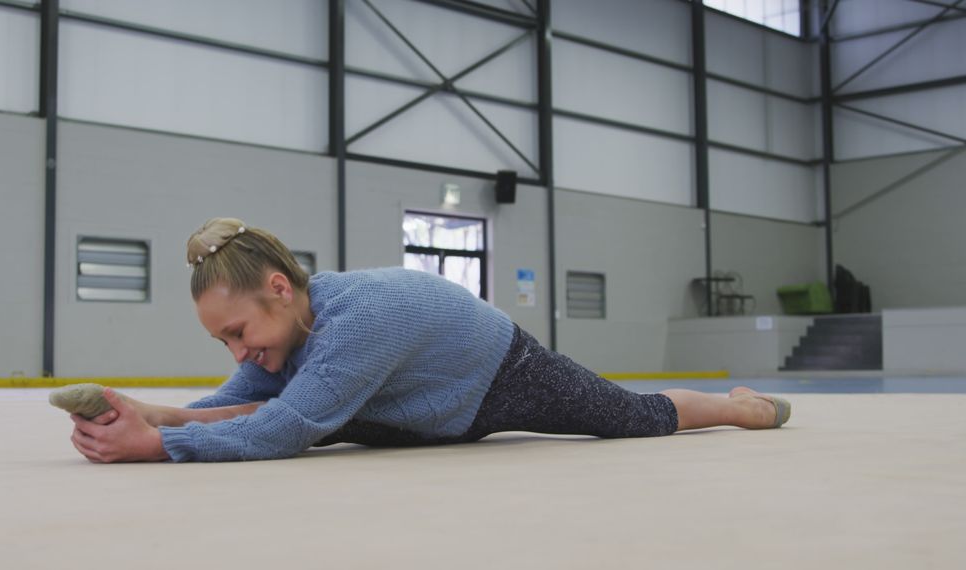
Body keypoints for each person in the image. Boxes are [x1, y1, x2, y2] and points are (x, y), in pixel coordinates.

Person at [68, 218, 791, 463]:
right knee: (306, 411)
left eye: (238, 332)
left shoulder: (362, 322)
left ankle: (735, 406)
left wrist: (161, 444)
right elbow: (242, 400)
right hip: (407, 405)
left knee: (629, 420)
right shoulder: (288, 333)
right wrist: (157, 415)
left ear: (281, 291)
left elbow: (280, 429)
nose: (237, 351)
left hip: (499, 373)